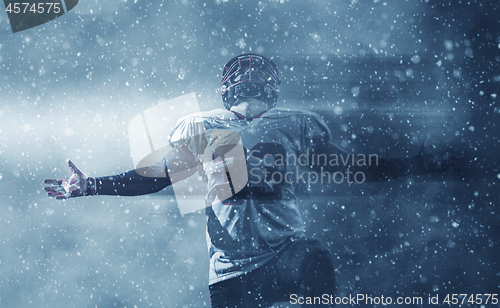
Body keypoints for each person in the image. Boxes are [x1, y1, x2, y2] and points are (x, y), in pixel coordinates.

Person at [44, 53, 455, 307]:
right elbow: (357, 166)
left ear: (227, 87)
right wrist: (414, 164)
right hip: (250, 265)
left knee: (314, 258)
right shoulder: (284, 124)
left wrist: (92, 185)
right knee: (315, 259)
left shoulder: (213, 125)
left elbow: (157, 178)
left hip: (257, 262)